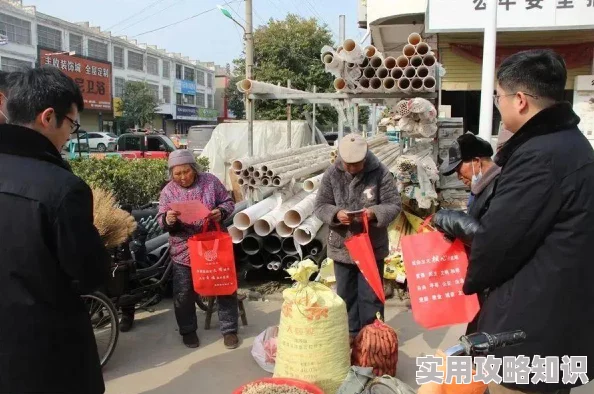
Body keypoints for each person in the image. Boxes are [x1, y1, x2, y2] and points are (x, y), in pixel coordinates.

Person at [463, 49, 594, 394]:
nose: (498, 104)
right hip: (561, 315)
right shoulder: (573, 146)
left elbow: (500, 243)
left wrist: (469, 260)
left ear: (520, 100)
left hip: (530, 322)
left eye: (498, 96)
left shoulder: (539, 157)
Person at [0, 66, 110, 393]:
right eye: (73, 124)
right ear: (48, 118)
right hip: (48, 358)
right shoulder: (62, 189)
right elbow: (89, 275)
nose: (69, 136)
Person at [314, 133, 400, 344]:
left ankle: (373, 338)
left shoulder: (380, 173)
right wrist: (335, 214)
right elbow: (320, 206)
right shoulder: (332, 173)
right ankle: (351, 336)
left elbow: (394, 205)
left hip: (371, 247)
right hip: (343, 247)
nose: (351, 168)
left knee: (371, 296)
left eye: (357, 164)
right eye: (348, 164)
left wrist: (373, 213)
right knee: (345, 295)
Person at [157, 149, 240, 349]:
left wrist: (220, 212)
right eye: (177, 174)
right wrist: (168, 219)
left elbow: (228, 202)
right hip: (183, 248)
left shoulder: (210, 182)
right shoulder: (168, 191)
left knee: (224, 286)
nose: (183, 177)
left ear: (194, 169)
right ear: (171, 174)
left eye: (186, 172)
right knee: (184, 293)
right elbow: (161, 219)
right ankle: (188, 330)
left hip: (213, 244)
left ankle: (229, 329)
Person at [431, 131, 511, 335]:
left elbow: (488, 236)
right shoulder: (480, 188)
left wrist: (451, 219)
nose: (458, 176)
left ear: (476, 161)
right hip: (483, 279)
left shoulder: (502, 186)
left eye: (459, 169)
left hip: (498, 284)